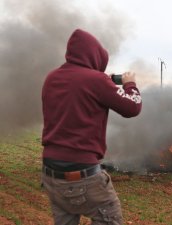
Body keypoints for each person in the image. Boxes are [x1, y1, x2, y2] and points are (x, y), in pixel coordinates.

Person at [41, 29, 142, 224]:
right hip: (82, 175)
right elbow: (133, 107)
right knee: (110, 218)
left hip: (51, 173)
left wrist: (104, 80)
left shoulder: (51, 78)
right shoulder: (96, 80)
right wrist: (130, 84)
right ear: (95, 56)